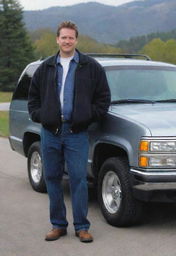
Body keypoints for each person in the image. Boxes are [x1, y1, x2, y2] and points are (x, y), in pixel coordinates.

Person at [28, 21, 111, 243]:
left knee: (78, 179)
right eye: (63, 37)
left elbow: (103, 99)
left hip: (76, 132)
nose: (67, 41)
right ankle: (58, 225)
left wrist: (86, 117)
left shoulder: (91, 67)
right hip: (50, 132)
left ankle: (82, 226)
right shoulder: (45, 67)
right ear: (57, 39)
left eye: (71, 38)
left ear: (76, 40)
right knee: (52, 177)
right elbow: (33, 98)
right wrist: (41, 115)